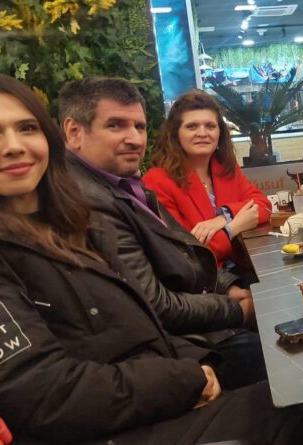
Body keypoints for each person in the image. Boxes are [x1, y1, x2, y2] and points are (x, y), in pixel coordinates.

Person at [0, 72, 293, 444]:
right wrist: (185, 377)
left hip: (157, 396)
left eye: (27, 128)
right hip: (114, 428)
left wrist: (194, 364)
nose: (14, 146)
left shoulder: (59, 221)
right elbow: (45, 396)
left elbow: (140, 317)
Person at [59, 77, 264, 389]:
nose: (133, 139)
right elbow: (159, 305)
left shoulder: (126, 185)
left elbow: (186, 253)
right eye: (115, 125)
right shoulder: (92, 200)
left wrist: (230, 287)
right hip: (182, 346)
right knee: (285, 349)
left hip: (204, 307)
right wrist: (239, 308)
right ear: (74, 132)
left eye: (139, 127)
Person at [143, 90, 271, 277]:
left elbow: (264, 206)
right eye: (192, 126)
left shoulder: (226, 169)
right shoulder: (157, 181)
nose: (202, 133)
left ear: (220, 133)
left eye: (210, 126)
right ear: (176, 134)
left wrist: (224, 218)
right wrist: (233, 227)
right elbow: (185, 255)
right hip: (204, 281)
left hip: (243, 267)